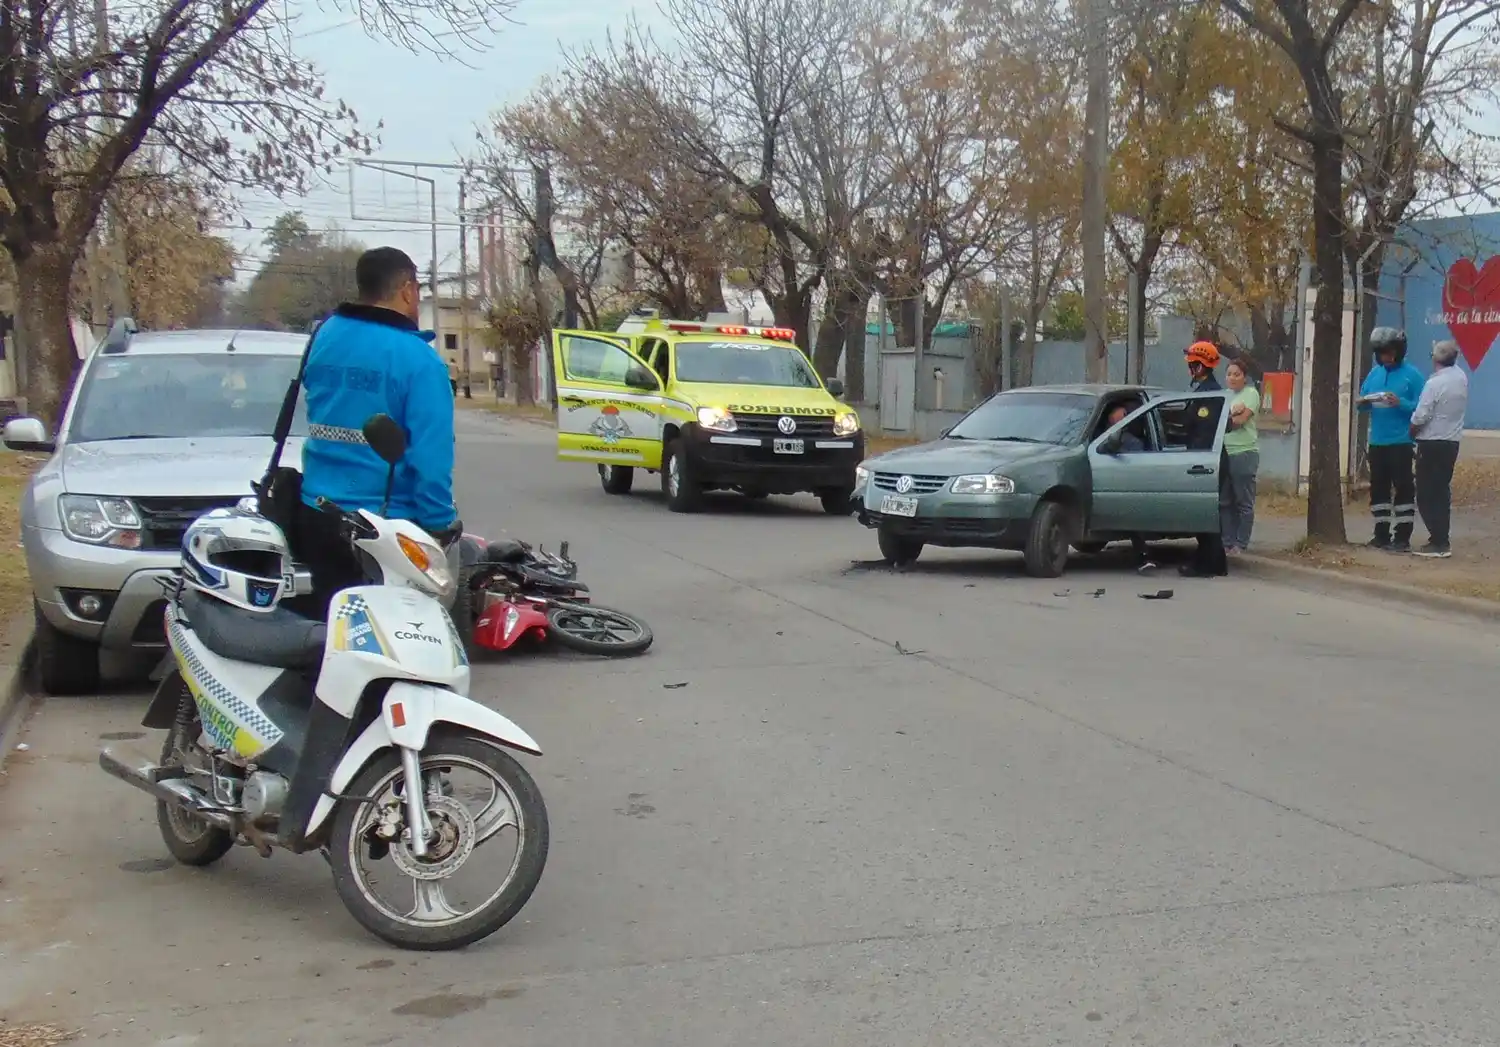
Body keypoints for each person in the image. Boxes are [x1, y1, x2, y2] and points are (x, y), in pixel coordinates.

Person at [297, 247, 460, 617]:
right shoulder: (419, 359)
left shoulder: (325, 336)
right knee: (395, 632)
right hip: (384, 529)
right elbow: (431, 457)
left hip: (316, 511)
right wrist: (438, 525)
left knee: (332, 625)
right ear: (406, 290)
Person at [1357, 327, 1425, 552]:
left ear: (1398, 351)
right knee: (1379, 489)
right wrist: (1363, 403)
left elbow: (1423, 408)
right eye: (1381, 353)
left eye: (1388, 352)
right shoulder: (1374, 374)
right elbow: (1363, 398)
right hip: (1377, 441)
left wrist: (1401, 403)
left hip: (1401, 441)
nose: (1385, 357)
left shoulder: (1412, 375)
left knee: (1404, 488)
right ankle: (1381, 534)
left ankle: (1402, 537)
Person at [1410, 339, 1468, 558]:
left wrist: (1412, 430)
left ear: (1436, 358)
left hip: (1431, 441)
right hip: (1451, 441)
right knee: (1441, 490)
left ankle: (1438, 541)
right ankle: (1441, 537)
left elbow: (1422, 414)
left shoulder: (1434, 384)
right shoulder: (1460, 378)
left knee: (1425, 493)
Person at [1180, 341, 1228, 578]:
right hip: (1207, 459)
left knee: (1205, 515)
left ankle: (1209, 564)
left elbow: (1204, 432)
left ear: (1200, 367)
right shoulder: (1206, 391)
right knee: (1206, 514)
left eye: (1192, 365)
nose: (1189, 369)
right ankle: (1214, 562)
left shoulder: (1210, 395)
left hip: (1206, 461)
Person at [1105, 404, 1157, 572]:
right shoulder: (1101, 435)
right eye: (1116, 415)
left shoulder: (1131, 442)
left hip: (1127, 487)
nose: (1119, 418)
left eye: (1124, 415)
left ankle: (1142, 555)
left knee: (1134, 508)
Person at [1220, 359, 1261, 555]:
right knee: (1224, 500)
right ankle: (1226, 542)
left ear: (1245, 377)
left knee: (1243, 500)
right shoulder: (1225, 396)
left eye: (1237, 374)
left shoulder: (1251, 393)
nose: (1232, 378)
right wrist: (1230, 415)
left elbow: (1241, 421)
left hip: (1244, 452)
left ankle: (1241, 543)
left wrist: (1227, 419)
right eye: (1229, 374)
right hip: (1224, 452)